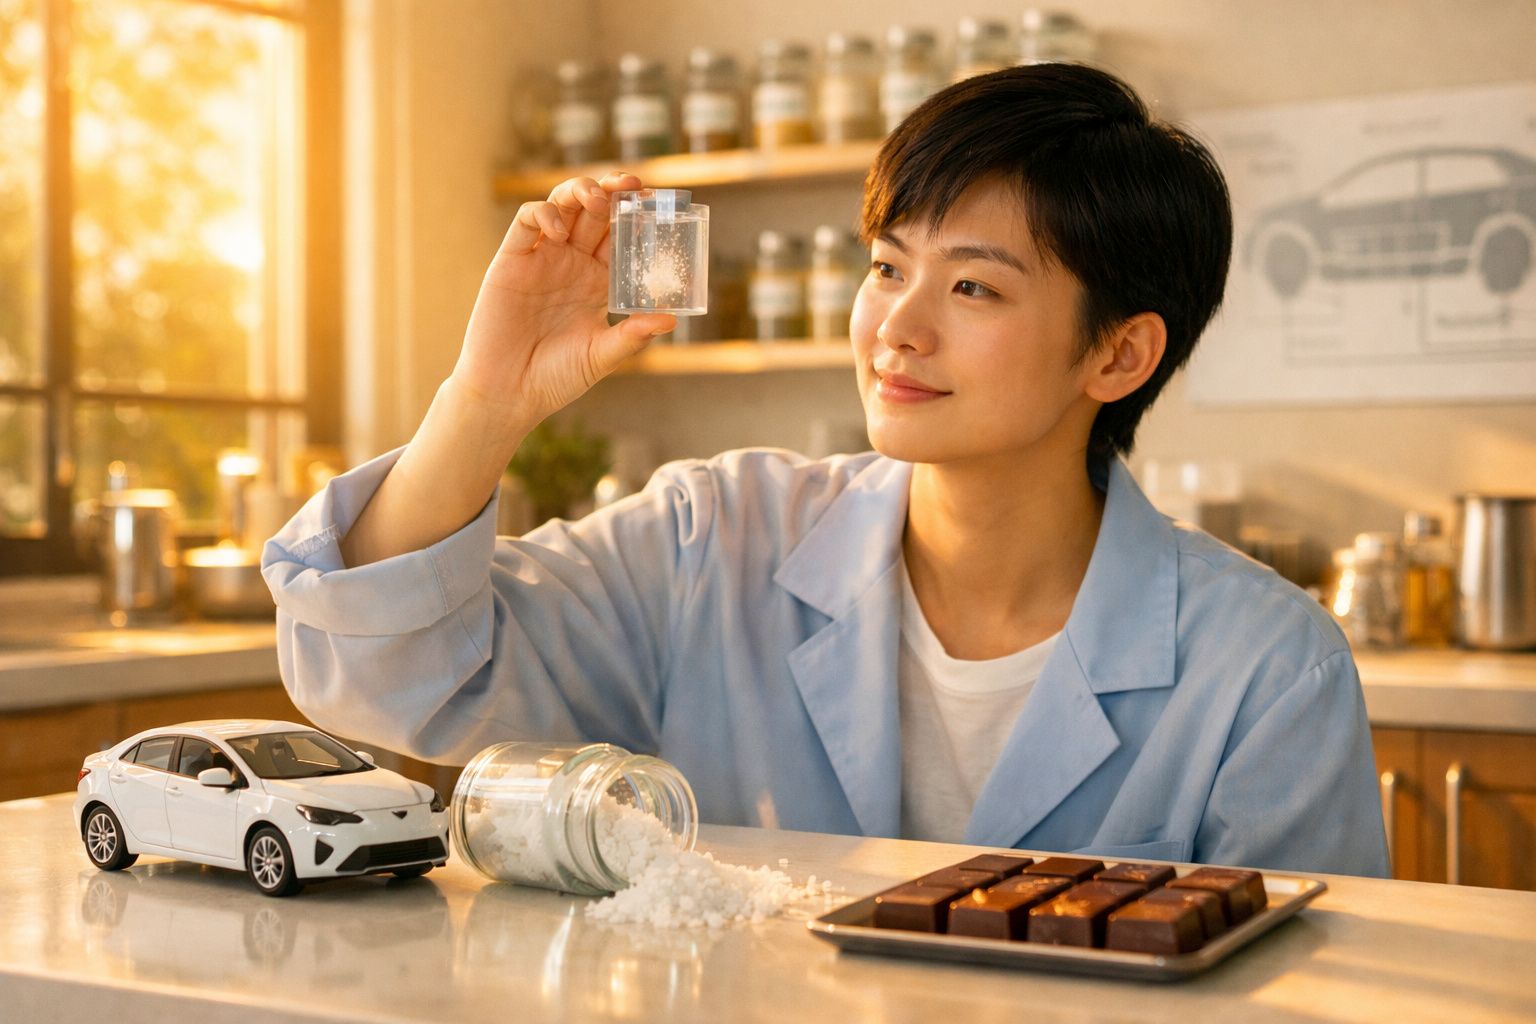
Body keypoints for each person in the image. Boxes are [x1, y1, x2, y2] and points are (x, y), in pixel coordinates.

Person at [263, 63, 1388, 877]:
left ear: (1119, 352)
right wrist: (486, 398)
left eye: (973, 287)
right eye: (888, 265)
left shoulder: (1267, 673)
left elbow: (1312, 994)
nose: (896, 325)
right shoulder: (716, 537)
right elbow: (389, 676)